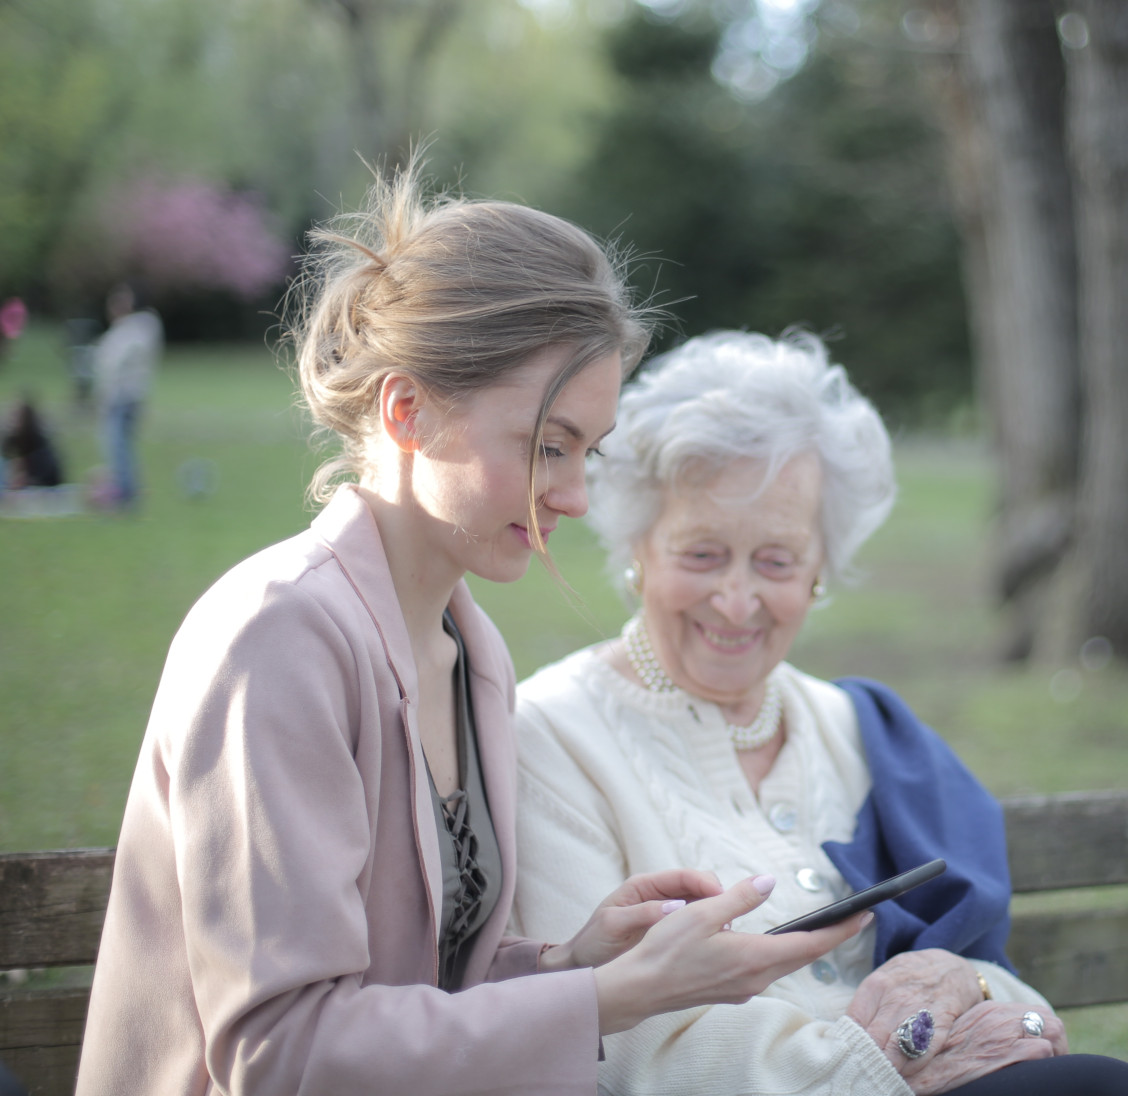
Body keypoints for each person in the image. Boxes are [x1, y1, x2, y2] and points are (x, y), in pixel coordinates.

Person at [75, 172, 864, 1096]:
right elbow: (282, 1053)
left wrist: (575, 963)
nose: (573, 496)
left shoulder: (469, 648)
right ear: (407, 411)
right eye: (545, 445)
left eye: (588, 452)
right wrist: (605, 1001)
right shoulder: (278, 637)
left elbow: (417, 988)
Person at [509, 331, 1128, 1096]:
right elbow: (626, 1047)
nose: (736, 599)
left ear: (820, 571)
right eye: (701, 554)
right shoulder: (551, 737)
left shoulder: (862, 730)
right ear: (638, 549)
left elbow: (1011, 998)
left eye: (776, 561)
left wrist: (969, 987)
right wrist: (881, 1065)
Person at [92, 282, 162, 508]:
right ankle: (124, 491)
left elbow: (113, 366)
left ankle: (125, 494)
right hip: (126, 397)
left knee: (118, 446)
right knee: (120, 447)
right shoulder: (131, 330)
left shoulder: (135, 330)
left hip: (123, 398)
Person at [2, 397, 64, 489]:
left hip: (44, 489)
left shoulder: (41, 445)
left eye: (16, 416)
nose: (13, 421)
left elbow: (49, 476)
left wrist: (28, 481)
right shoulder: (11, 440)